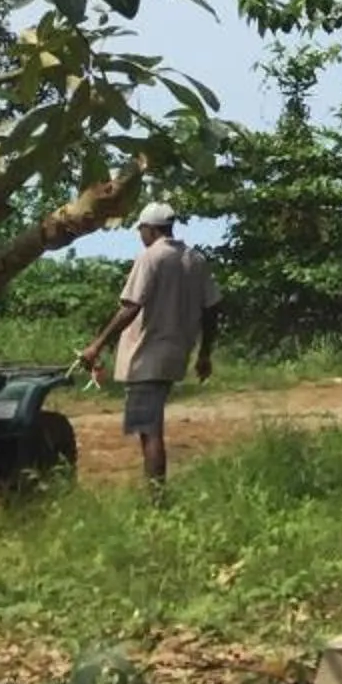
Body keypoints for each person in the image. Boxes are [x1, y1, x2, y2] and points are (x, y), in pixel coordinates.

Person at [79, 202, 219, 491]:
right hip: (176, 353)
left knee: (149, 429)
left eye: (141, 230)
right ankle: (156, 493)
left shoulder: (151, 257)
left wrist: (98, 344)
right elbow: (211, 310)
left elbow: (130, 307)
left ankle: (156, 497)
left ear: (151, 229)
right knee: (151, 424)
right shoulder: (195, 259)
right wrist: (204, 353)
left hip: (147, 356)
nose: (140, 236)